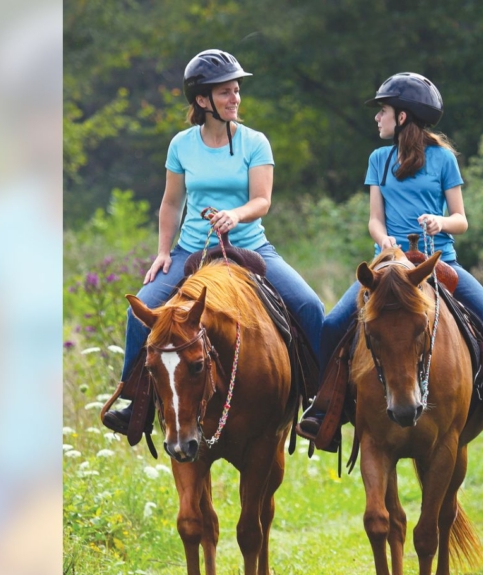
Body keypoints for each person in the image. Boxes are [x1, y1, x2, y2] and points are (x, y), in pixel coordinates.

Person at [298, 72, 483, 447]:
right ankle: (323, 408)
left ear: (404, 116)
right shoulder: (379, 159)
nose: (378, 118)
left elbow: (461, 219)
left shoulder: (443, 160)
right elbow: (374, 219)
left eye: (384, 111)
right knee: (331, 324)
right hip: (388, 267)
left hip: (439, 264)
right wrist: (383, 238)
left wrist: (439, 221)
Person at [103, 49, 323, 434]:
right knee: (141, 312)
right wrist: (162, 252)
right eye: (225, 92)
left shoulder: (256, 142)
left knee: (309, 305)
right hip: (192, 249)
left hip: (251, 247)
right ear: (202, 100)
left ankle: (321, 404)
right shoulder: (181, 145)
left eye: (236, 90)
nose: (235, 98)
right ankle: (134, 400)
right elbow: (171, 203)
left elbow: (262, 200)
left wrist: (235, 215)